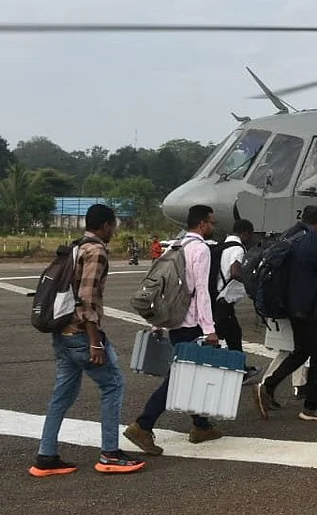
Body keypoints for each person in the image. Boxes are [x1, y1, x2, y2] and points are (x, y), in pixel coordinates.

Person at [30, 203, 145, 477]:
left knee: (62, 395)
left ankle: (45, 456)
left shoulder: (76, 247)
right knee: (113, 384)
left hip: (62, 333)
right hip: (82, 335)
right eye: (114, 225)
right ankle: (110, 454)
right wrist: (95, 341)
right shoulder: (96, 251)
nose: (114, 231)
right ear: (106, 225)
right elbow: (87, 297)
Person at [122, 205, 223, 456]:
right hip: (190, 324)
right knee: (180, 378)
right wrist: (210, 329)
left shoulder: (175, 246)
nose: (213, 226)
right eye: (211, 223)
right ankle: (143, 424)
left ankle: (201, 425)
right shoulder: (200, 249)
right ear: (201, 224)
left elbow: (165, 288)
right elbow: (202, 292)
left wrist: (159, 322)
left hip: (174, 321)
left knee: (191, 374)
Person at [254, 211, 317, 422]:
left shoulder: (305, 239)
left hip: (295, 305)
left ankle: (267, 387)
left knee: (301, 351)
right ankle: (310, 407)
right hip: (306, 309)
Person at [212, 218, 261, 382]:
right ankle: (235, 371)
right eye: (250, 235)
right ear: (246, 233)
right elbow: (234, 271)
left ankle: (239, 369)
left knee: (232, 334)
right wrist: (250, 282)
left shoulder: (225, 244)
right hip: (224, 301)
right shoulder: (238, 248)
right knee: (225, 336)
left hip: (217, 297)